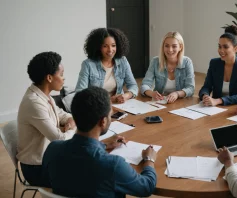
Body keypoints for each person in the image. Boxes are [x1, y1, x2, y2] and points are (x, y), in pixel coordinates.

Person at [17, 52, 120, 187]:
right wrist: (72, 127)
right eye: (61, 74)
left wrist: (71, 122)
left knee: (94, 164)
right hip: (38, 169)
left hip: (51, 158)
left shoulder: (43, 95)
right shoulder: (34, 102)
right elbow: (59, 139)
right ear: (49, 78)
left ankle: (102, 147)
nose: (64, 79)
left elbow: (64, 115)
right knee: (97, 173)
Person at [42, 87, 157, 197]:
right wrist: (149, 160)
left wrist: (105, 145)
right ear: (103, 121)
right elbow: (147, 187)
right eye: (110, 115)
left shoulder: (53, 149)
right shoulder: (113, 165)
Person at [75, 28, 138, 103]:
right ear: (98, 47)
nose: (110, 50)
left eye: (113, 45)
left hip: (119, 105)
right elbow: (80, 93)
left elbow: (133, 86)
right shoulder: (88, 64)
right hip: (97, 107)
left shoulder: (123, 61)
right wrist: (108, 100)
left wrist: (126, 96)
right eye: (105, 46)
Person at [198, 25, 237, 106]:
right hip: (215, 109)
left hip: (235, 109)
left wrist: (218, 101)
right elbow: (206, 87)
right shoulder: (214, 63)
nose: (221, 50)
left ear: (235, 49)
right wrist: (205, 96)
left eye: (225, 47)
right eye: (219, 46)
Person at [141, 31, 195, 103]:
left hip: (180, 103)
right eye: (166, 46)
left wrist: (177, 94)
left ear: (180, 47)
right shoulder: (155, 61)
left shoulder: (187, 62)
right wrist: (152, 93)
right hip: (160, 103)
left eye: (174, 46)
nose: (170, 49)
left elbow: (191, 88)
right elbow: (144, 85)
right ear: (163, 47)